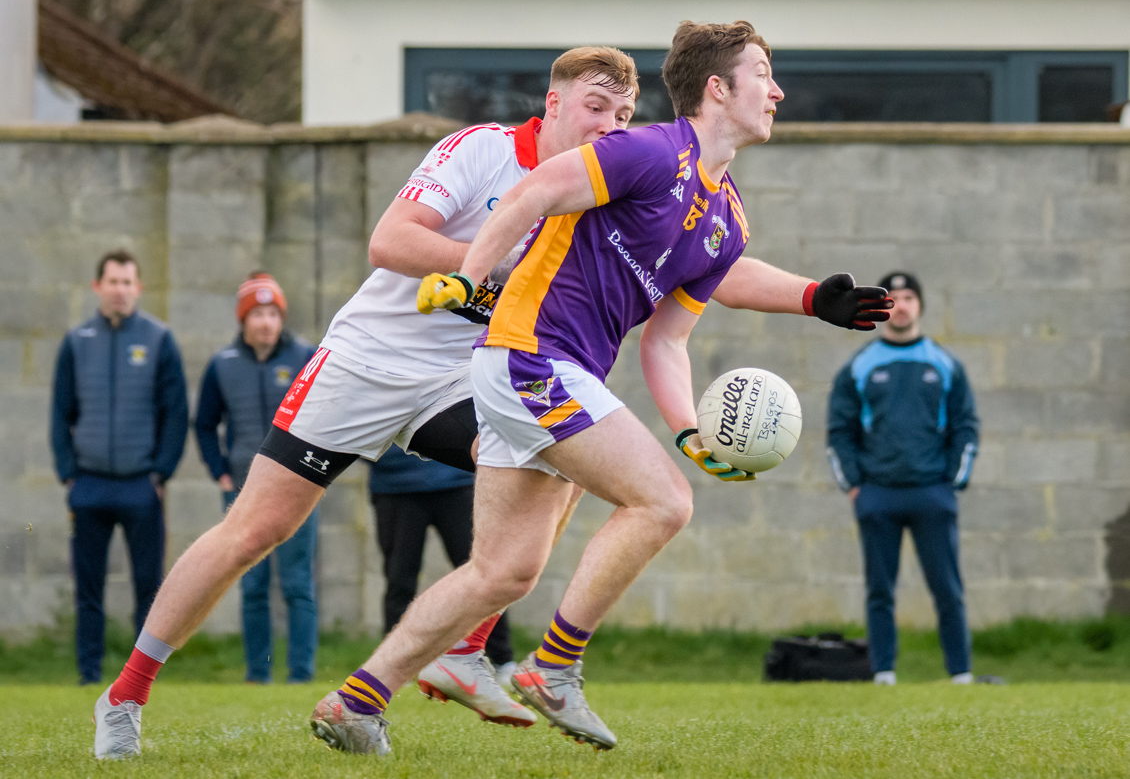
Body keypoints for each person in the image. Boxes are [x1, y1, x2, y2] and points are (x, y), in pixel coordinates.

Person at [93, 42, 884, 761]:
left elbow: (698, 257)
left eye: (622, 112)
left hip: (465, 375)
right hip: (371, 360)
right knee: (256, 529)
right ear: (553, 104)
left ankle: (454, 654)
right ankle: (126, 692)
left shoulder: (629, 175)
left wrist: (810, 296)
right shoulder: (488, 152)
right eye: (595, 108)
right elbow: (391, 241)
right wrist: (484, 272)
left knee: (554, 485)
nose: (610, 123)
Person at [318, 19, 892, 757]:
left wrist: (692, 428)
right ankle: (554, 665)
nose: (777, 89)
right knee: (663, 501)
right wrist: (472, 275)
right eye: (762, 74)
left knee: (503, 569)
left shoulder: (726, 216)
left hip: (548, 367)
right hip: (530, 353)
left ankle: (355, 700)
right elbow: (531, 192)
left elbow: (667, 338)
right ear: (717, 89)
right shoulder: (647, 150)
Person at [826, 271, 979, 686]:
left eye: (909, 296)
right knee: (880, 591)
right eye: (893, 297)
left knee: (948, 589)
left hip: (933, 493)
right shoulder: (859, 366)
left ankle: (961, 674)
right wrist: (855, 486)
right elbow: (839, 432)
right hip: (877, 495)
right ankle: (884, 673)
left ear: (920, 306)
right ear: (881, 308)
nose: (902, 304)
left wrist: (953, 481)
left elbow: (965, 426)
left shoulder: (944, 364)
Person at [50, 249, 188, 686]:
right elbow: (60, 412)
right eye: (113, 282)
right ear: (98, 287)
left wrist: (160, 473)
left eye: (128, 282)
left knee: (148, 588)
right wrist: (69, 473)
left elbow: (176, 413)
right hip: (88, 485)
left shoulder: (159, 339)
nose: (121, 290)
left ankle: (138, 678)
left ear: (138, 288)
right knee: (88, 590)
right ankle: (89, 673)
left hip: (140, 486)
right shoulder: (76, 342)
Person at [194, 273, 320, 684]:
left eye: (272, 314)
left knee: (298, 584)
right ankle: (257, 674)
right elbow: (204, 424)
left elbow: (325, 414)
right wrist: (220, 473)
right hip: (242, 492)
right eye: (257, 314)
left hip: (298, 487)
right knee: (251, 585)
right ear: (243, 320)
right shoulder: (222, 365)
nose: (266, 322)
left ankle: (301, 673)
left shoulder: (305, 355)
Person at [368, 447, 522, 705]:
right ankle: (393, 667)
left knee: (485, 575)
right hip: (394, 484)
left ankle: (502, 661)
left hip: (458, 482)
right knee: (399, 580)